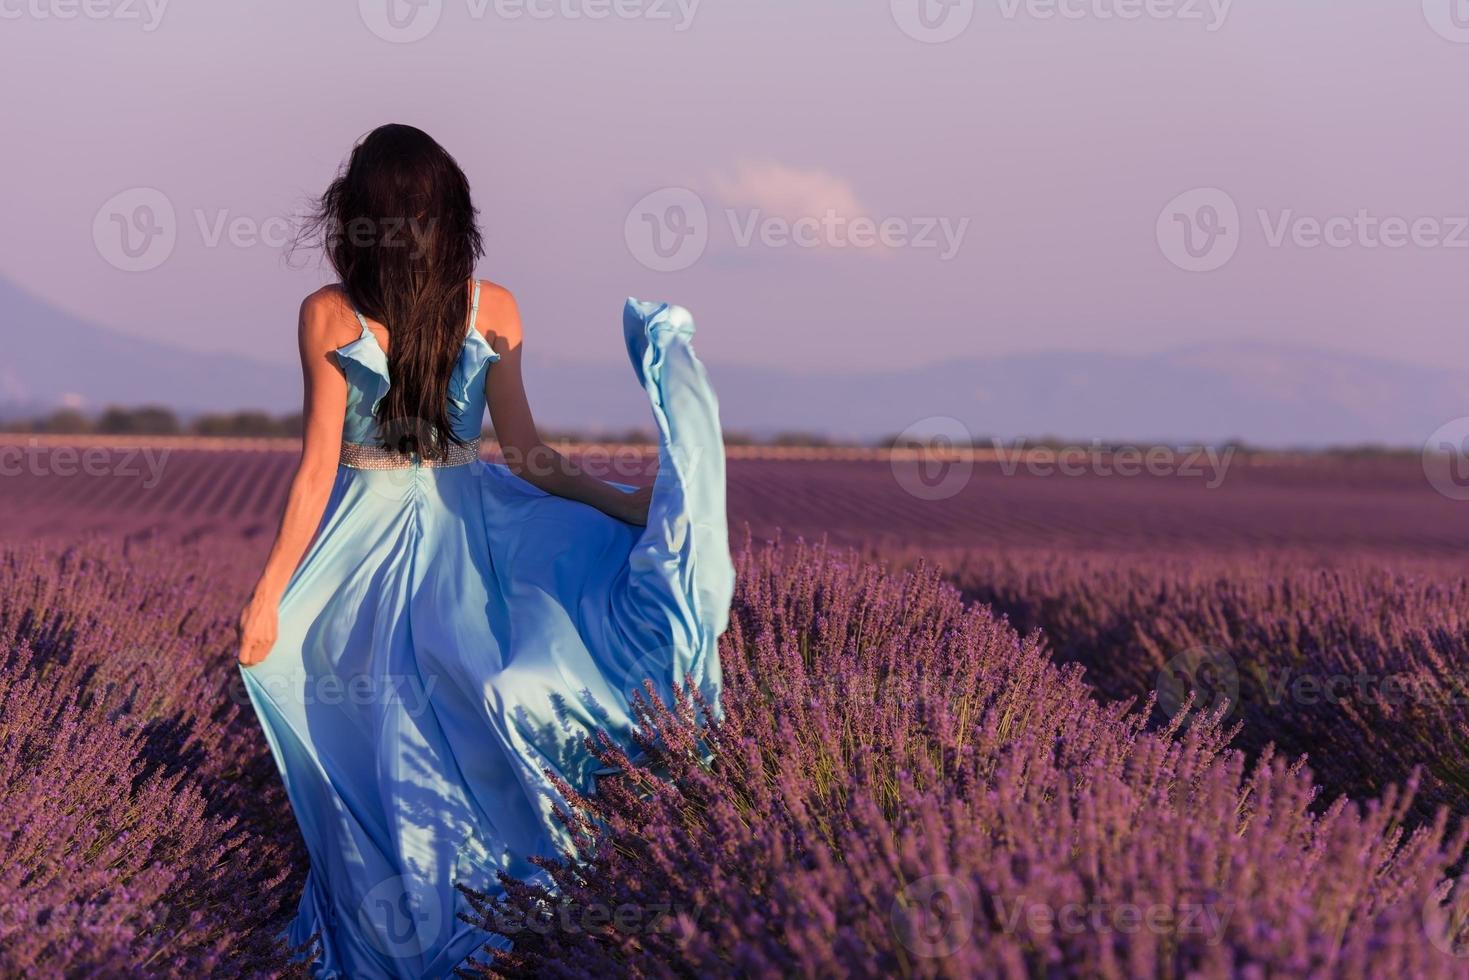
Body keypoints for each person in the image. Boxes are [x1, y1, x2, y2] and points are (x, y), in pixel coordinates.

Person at [235, 123, 732, 978]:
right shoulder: (490, 305)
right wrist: (617, 505)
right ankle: (498, 929)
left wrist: (269, 594)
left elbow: (316, 470)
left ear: (356, 215)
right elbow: (529, 455)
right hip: (468, 537)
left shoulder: (327, 312)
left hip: (362, 555)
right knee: (468, 736)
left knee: (382, 747)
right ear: (449, 211)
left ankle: (403, 940)